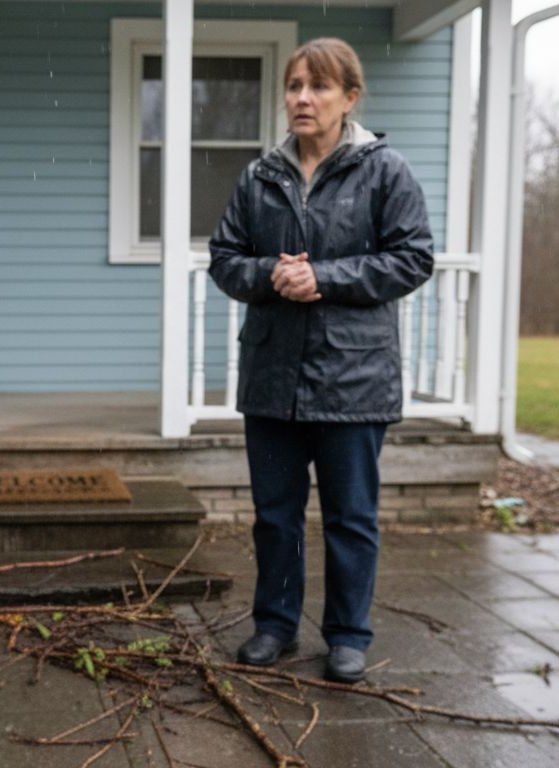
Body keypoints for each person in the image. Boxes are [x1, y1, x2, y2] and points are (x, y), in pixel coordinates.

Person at [207, 37, 434, 684]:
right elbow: (225, 259)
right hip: (272, 377)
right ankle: (274, 625)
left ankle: (347, 634)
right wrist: (269, 273)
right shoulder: (259, 176)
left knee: (349, 518)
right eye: (294, 85)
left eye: (319, 86)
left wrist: (325, 279)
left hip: (354, 378)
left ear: (350, 97)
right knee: (275, 516)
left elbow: (413, 258)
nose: (302, 98)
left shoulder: (385, 172)